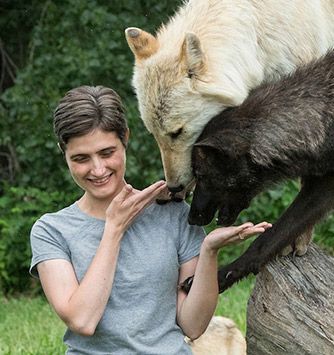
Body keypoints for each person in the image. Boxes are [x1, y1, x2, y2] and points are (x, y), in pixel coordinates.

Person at [29, 85, 271, 354]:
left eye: (107, 153)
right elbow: (82, 320)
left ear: (125, 139)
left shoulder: (174, 215)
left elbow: (193, 325)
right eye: (81, 158)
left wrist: (209, 251)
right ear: (64, 153)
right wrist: (114, 229)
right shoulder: (51, 231)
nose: (97, 169)